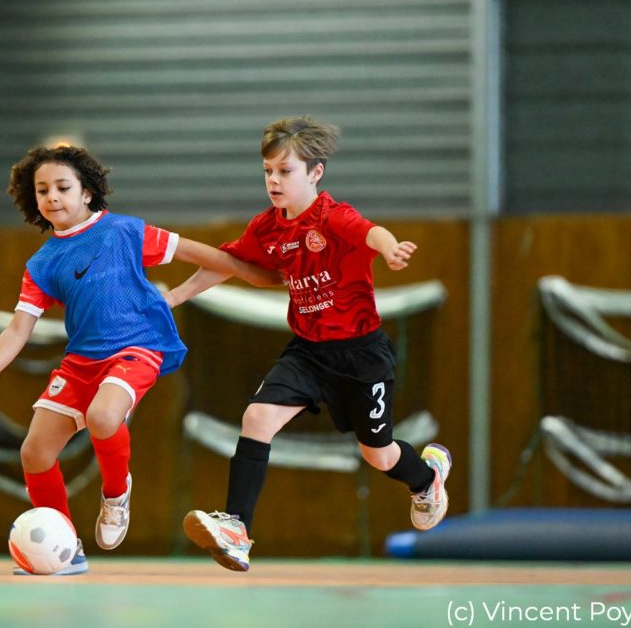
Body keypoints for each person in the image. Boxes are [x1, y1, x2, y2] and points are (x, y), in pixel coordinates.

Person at [0, 144, 279, 576]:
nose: (52, 197)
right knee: (34, 453)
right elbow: (19, 327)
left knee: (104, 415)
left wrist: (257, 275)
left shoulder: (125, 232)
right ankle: (67, 551)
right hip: (81, 362)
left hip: (138, 347)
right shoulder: (42, 263)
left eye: (62, 187)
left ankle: (116, 494)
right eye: (42, 190)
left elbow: (202, 255)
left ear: (87, 193)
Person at [166, 116, 451, 572]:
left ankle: (427, 478)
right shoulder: (267, 228)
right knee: (257, 418)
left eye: (285, 171)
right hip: (308, 351)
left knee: (378, 455)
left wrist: (390, 247)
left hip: (361, 355)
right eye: (268, 171)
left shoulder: (333, 217)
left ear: (315, 172)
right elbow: (227, 262)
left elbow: (370, 232)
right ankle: (237, 530)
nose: (274, 181)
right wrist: (175, 296)